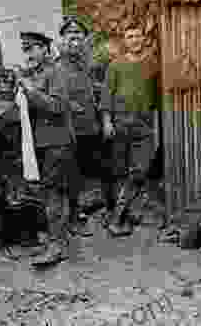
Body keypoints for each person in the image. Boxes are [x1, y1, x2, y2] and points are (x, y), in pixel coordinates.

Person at [16, 31, 76, 266]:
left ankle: (56, 246)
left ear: (44, 49)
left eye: (31, 48)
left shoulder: (56, 72)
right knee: (50, 193)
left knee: (55, 195)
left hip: (57, 142)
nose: (28, 54)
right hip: (42, 142)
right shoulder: (38, 73)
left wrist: (30, 90)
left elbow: (59, 105)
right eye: (25, 49)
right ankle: (56, 240)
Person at [99, 26, 165, 236]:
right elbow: (107, 96)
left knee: (140, 171)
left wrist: (156, 127)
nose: (134, 40)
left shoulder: (152, 64)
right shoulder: (115, 65)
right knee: (120, 171)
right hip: (120, 124)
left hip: (144, 125)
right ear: (124, 41)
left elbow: (158, 99)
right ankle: (119, 216)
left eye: (137, 36)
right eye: (130, 37)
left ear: (143, 39)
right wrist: (107, 122)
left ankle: (118, 215)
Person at [55, 17, 98, 237]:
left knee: (83, 172)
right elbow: (56, 94)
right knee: (72, 174)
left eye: (78, 34)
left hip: (89, 127)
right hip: (69, 128)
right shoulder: (58, 64)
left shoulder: (86, 62)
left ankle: (79, 211)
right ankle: (73, 217)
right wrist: (70, 105)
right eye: (70, 34)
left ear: (84, 38)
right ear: (62, 38)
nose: (74, 37)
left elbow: (91, 89)